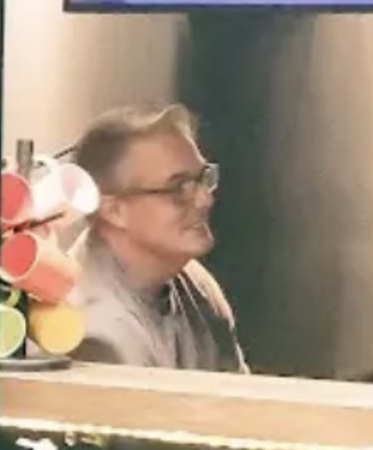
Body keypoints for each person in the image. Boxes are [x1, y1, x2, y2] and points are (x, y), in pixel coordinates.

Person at [63, 104, 248, 372]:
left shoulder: (196, 283)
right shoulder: (93, 333)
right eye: (178, 187)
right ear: (114, 211)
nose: (205, 199)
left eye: (202, 178)